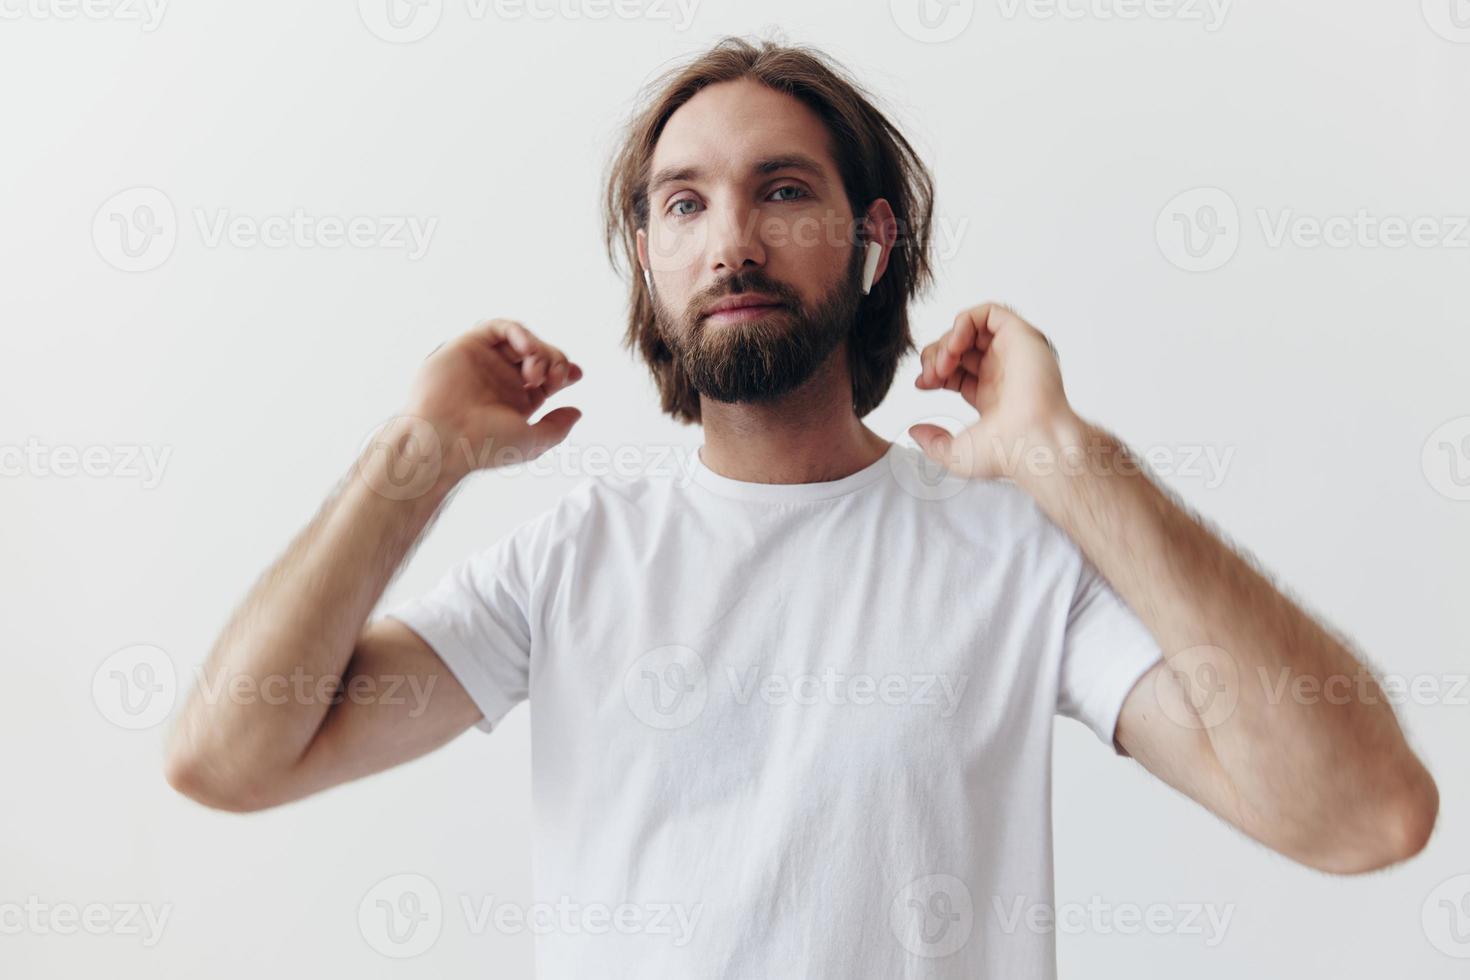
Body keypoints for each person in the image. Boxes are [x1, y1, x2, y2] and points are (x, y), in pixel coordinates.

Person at [163, 36, 1438, 978]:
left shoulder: (1015, 554)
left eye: (782, 191)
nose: (733, 241)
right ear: (650, 259)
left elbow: (1365, 815)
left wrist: (1067, 459)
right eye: (685, 202)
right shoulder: (572, 562)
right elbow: (227, 757)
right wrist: (415, 458)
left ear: (870, 237)